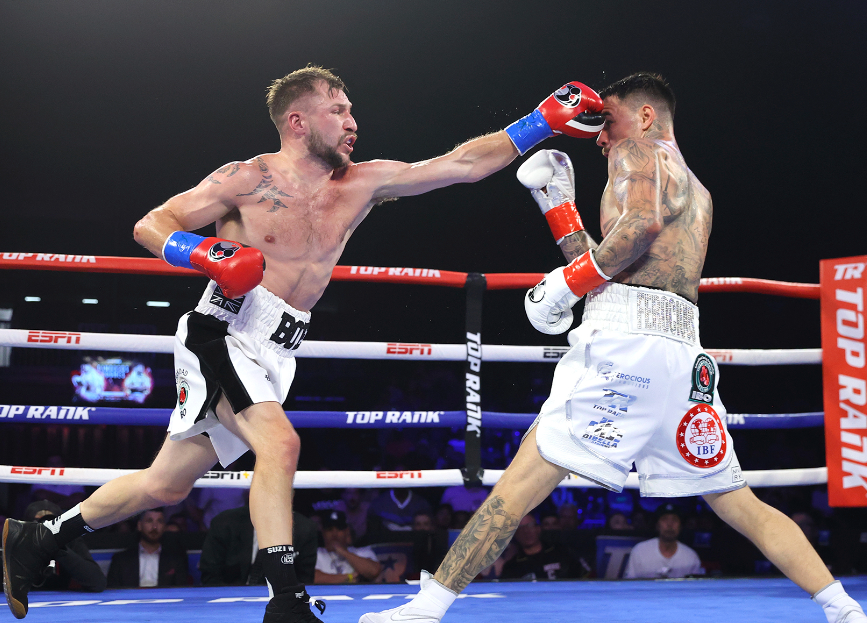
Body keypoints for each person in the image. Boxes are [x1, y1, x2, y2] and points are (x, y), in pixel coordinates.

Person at [2, 65, 604, 622]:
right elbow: (152, 224)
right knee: (281, 445)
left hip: (276, 350)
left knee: (166, 486)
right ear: (299, 121)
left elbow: (462, 163)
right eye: (339, 110)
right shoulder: (249, 178)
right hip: (223, 332)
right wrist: (205, 253)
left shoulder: (362, 183)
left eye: (351, 112)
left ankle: (39, 537)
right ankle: (286, 600)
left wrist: (541, 119)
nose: (353, 122)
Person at [361, 73, 867, 623]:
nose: (601, 135)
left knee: (519, 485)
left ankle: (426, 609)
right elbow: (631, 265)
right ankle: (842, 609)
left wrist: (562, 285)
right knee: (740, 501)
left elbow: (639, 231)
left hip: (625, 346)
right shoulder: (699, 190)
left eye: (610, 120)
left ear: (646, 116)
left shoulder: (637, 150)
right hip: (685, 358)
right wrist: (561, 212)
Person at [200, 503, 317, 586]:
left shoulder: (304, 529)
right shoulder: (225, 523)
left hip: (280, 603)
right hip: (229, 600)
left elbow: (304, 581)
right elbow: (210, 576)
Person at [20, 502, 105, 594]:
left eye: (51, 522)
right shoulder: (17, 541)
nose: (45, 526)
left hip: (63, 597)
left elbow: (98, 583)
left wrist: (59, 548)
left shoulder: (71, 540)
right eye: (38, 522)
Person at [106, 508, 189, 588]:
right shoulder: (121, 560)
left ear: (164, 527)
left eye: (159, 521)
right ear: (139, 525)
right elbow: (113, 592)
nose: (154, 527)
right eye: (149, 521)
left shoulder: (176, 560)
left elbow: (182, 591)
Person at [623, 503, 701, 579]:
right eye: (664, 519)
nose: (670, 524)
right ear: (657, 525)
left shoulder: (691, 557)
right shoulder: (640, 551)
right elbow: (629, 584)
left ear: (680, 526)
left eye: (674, 519)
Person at [500, 515, 578, 580]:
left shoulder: (560, 553)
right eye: (520, 528)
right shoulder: (512, 567)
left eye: (530, 526)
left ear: (538, 529)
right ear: (515, 534)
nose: (526, 531)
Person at [314, 511, 381, 584]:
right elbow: (312, 577)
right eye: (330, 529)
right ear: (323, 533)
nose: (334, 533)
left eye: (339, 529)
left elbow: (374, 571)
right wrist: (349, 578)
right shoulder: (316, 553)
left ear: (347, 531)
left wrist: (342, 551)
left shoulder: (362, 551)